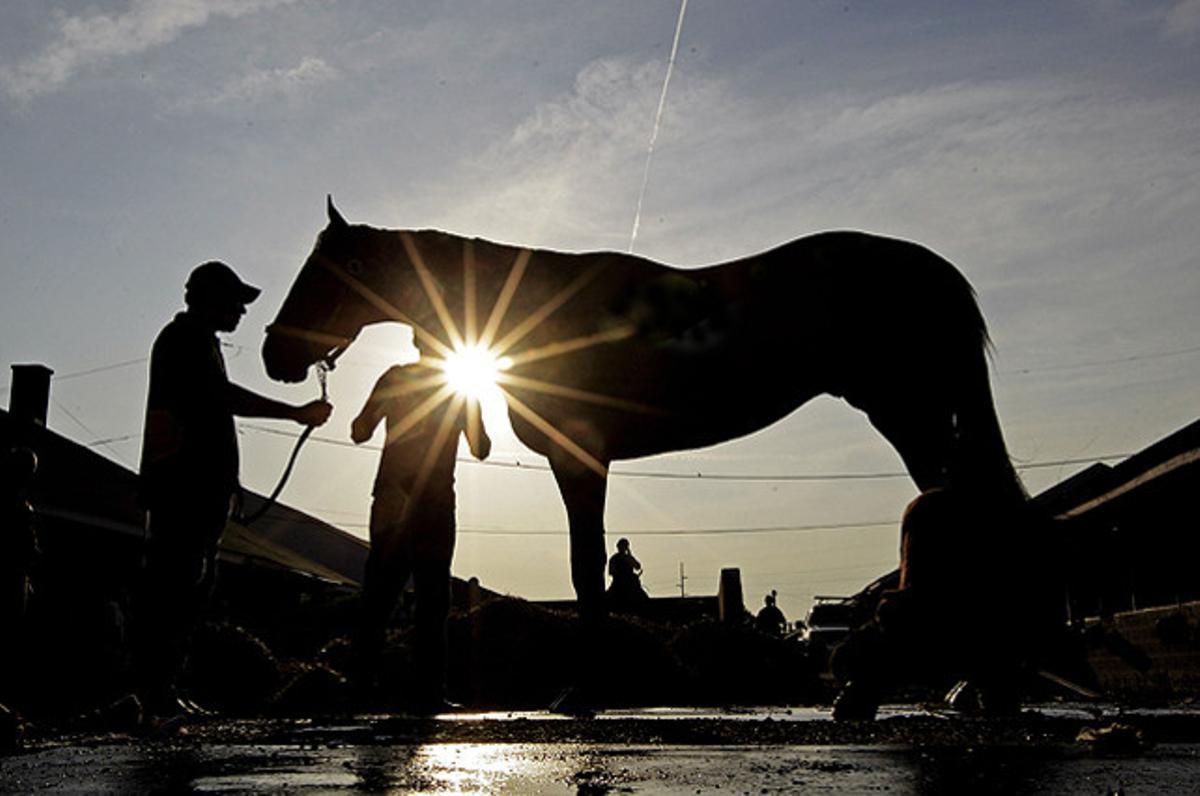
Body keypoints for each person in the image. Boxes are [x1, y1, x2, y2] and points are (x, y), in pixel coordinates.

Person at [136, 260, 332, 719]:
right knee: (175, 588)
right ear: (209, 299)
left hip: (197, 486)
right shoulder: (185, 340)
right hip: (183, 489)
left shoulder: (198, 342)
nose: (242, 312)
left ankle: (162, 692)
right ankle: (155, 695)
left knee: (187, 588)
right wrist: (294, 413)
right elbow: (220, 399)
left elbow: (210, 414)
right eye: (236, 303)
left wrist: (229, 482)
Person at [351, 353, 491, 712]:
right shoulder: (462, 389)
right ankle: (426, 694)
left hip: (395, 497)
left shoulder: (394, 378)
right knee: (432, 598)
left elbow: (360, 430)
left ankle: (361, 689)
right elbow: (481, 448)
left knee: (379, 595)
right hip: (434, 502)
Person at [1, 448, 38, 708]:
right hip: (11, 576)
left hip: (18, 576)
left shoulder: (19, 502)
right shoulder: (14, 505)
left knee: (11, 638)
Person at [606, 537, 649, 613]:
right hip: (619, 583)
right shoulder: (614, 559)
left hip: (631, 583)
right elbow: (612, 573)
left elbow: (637, 566)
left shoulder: (627, 557)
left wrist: (629, 556)